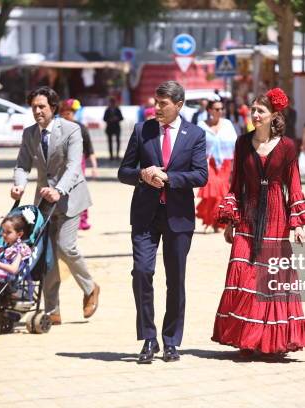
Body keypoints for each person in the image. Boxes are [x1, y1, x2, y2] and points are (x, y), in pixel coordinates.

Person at [211, 88, 305, 356]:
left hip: (277, 218)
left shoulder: (288, 146)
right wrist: (229, 221)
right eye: (253, 109)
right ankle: (245, 338)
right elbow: (235, 184)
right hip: (248, 214)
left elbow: (294, 186)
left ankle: (272, 342)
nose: (254, 114)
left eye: (260, 111)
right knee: (244, 274)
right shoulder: (242, 143)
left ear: (273, 115)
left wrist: (298, 224)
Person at [118, 80, 208, 364]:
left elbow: (200, 175)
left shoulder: (194, 134)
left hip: (178, 217)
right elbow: (124, 171)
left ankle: (171, 341)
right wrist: (143, 174)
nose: (156, 108)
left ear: (178, 105)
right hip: (145, 215)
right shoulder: (141, 130)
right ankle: (148, 338)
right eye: (155, 102)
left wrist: (170, 177)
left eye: (163, 103)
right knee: (142, 273)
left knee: (175, 280)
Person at [11, 86, 100, 326]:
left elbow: (73, 166)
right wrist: (19, 185)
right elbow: (22, 164)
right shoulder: (30, 133)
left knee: (65, 246)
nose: (37, 111)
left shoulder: (72, 129)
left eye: (41, 107)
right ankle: (52, 310)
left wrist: (58, 189)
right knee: (47, 256)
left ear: (53, 107)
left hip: (70, 198)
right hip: (43, 203)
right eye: (34, 108)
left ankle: (90, 288)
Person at [195, 99, 238, 232]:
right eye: (217, 109)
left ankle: (218, 222)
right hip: (208, 162)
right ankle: (213, 219)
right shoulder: (201, 125)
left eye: (221, 109)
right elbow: (196, 144)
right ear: (209, 111)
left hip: (226, 162)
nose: (220, 111)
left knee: (222, 194)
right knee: (212, 191)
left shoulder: (228, 124)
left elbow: (235, 142)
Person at [59, 99, 98, 231]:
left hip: (78, 163)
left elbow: (90, 149)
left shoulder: (81, 128)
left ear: (74, 113)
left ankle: (83, 220)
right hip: (61, 163)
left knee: (79, 189)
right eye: (63, 113)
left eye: (68, 113)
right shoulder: (57, 127)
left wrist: (94, 167)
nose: (66, 116)